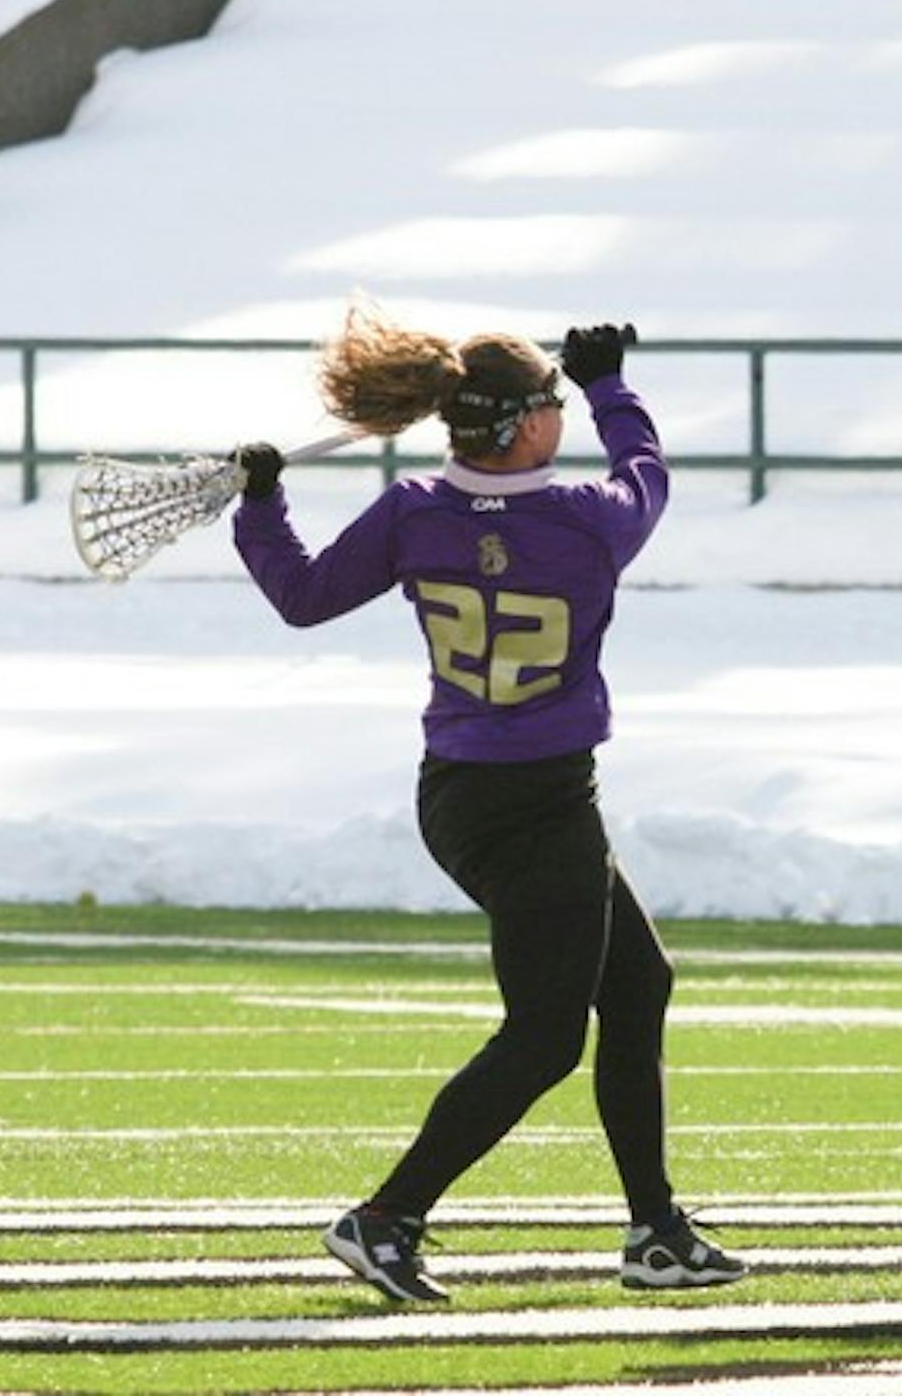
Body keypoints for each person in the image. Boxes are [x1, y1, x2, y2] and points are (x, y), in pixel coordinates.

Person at [230, 305, 745, 1300]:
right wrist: (610, 385)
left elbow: (299, 595)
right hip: (538, 806)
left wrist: (260, 504)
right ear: (522, 427)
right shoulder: (584, 523)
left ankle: (655, 1231)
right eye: (548, 402)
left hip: (464, 796)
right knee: (545, 1036)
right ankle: (385, 1218)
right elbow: (648, 473)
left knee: (637, 988)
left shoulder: (413, 509)